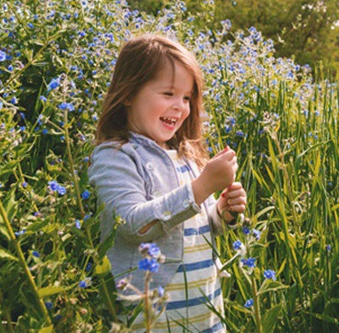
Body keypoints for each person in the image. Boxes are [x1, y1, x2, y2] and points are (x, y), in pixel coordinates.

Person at [89, 33, 246, 332]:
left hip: (207, 316)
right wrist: (202, 187)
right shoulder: (116, 156)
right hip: (153, 321)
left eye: (187, 98)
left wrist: (223, 213)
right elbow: (134, 224)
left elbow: (202, 226)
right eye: (168, 94)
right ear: (128, 93)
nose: (180, 106)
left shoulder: (187, 155)